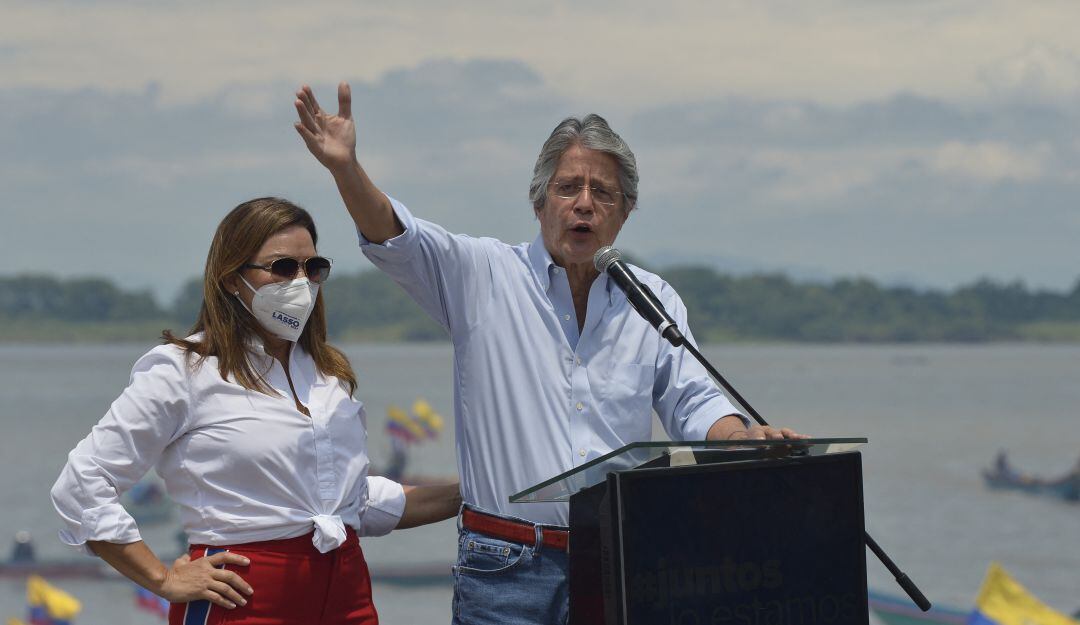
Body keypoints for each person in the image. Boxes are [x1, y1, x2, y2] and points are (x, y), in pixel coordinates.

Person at [293, 83, 806, 625]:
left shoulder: (651, 300)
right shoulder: (483, 276)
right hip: (504, 564)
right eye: (568, 188)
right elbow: (396, 237)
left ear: (625, 212)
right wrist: (346, 168)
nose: (584, 203)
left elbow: (694, 400)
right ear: (539, 203)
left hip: (619, 560)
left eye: (602, 193)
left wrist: (742, 438)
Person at [50, 197, 461, 625]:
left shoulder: (326, 373)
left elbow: (348, 502)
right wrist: (162, 579)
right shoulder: (183, 370)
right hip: (241, 597)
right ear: (231, 278)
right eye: (283, 267)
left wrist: (474, 492)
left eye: (313, 268)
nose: (301, 282)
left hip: (348, 593)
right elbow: (82, 484)